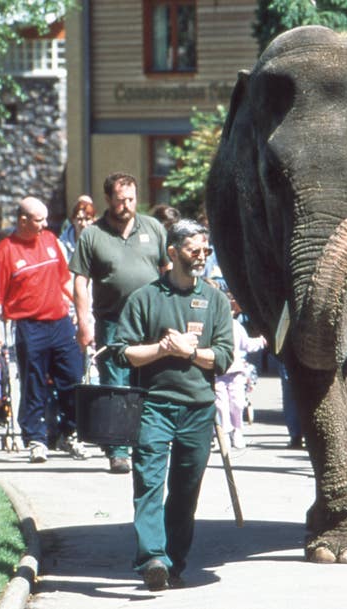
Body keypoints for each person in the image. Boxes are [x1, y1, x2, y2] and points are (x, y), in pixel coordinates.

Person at [114, 219, 234, 590]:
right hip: (154, 405)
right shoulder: (145, 298)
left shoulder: (214, 300)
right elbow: (123, 353)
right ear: (172, 252)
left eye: (205, 251)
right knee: (149, 480)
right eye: (193, 250)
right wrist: (162, 349)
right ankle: (152, 556)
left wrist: (191, 352)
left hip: (198, 409)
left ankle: (174, 563)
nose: (201, 257)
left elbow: (225, 357)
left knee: (185, 489)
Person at [70, 173, 169, 473]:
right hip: (113, 319)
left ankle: (147, 441)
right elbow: (80, 281)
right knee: (115, 382)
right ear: (108, 200)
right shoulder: (92, 235)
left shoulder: (153, 228)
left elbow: (167, 269)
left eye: (131, 199)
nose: (126, 206)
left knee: (150, 381)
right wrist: (83, 323)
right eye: (120, 200)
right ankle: (118, 449)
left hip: (151, 321)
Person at [0, 196, 88, 463]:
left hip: (61, 323)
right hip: (30, 327)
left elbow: (65, 281)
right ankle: (36, 440)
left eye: (45, 219)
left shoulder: (51, 241)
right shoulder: (5, 251)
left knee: (74, 378)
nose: (44, 225)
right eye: (38, 220)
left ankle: (69, 433)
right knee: (33, 384)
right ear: (23, 221)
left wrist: (83, 316)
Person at [214, 289, 266, 449]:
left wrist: (261, 341)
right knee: (221, 405)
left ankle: (237, 430)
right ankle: (224, 433)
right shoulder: (212, 326)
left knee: (237, 403)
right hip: (217, 373)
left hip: (236, 372)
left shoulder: (236, 326)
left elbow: (246, 344)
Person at [58, 195, 96, 261]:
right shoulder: (61, 244)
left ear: (94, 220)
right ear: (72, 220)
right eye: (79, 219)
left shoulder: (101, 242)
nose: (83, 224)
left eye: (87, 219)